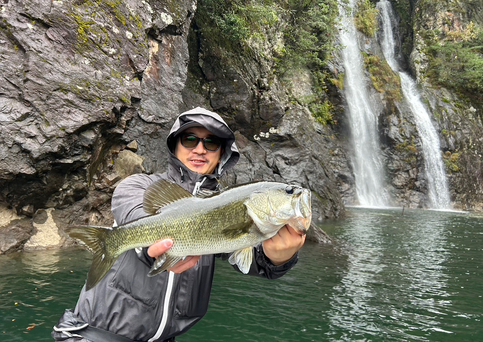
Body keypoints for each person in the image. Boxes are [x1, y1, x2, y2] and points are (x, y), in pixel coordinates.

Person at [52, 107, 306, 342]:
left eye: (211, 142)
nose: (200, 149)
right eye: (190, 139)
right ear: (175, 146)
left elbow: (251, 260)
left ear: (222, 154)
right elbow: (137, 218)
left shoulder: (227, 208)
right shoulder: (137, 185)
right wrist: (153, 250)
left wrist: (278, 258)